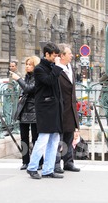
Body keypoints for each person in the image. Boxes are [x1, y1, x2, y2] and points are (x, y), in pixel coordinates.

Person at [26, 42, 64, 179]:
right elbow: (49, 81)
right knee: (42, 139)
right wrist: (58, 67)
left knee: (54, 139)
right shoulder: (39, 69)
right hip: (45, 108)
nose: (56, 58)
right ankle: (32, 167)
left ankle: (48, 169)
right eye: (54, 56)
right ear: (46, 54)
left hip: (54, 108)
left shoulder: (53, 67)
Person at [11, 56, 43, 170]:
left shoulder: (38, 77)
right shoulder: (27, 76)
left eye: (30, 64)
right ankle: (25, 161)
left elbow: (29, 88)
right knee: (23, 138)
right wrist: (21, 95)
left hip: (34, 109)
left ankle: (38, 162)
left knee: (36, 138)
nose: (28, 66)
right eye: (27, 64)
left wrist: (18, 79)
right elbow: (24, 90)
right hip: (24, 109)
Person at [54, 43, 81, 173]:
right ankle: (56, 163)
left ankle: (69, 162)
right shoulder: (57, 70)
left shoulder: (70, 68)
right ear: (62, 55)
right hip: (59, 109)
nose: (72, 55)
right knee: (58, 139)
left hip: (70, 109)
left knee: (69, 137)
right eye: (69, 53)